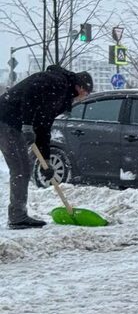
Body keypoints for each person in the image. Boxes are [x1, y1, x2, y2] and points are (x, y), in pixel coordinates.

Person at [0, 65, 93, 228]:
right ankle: (17, 217)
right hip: (7, 120)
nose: (83, 98)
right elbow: (30, 91)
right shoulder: (57, 81)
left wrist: (46, 160)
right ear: (80, 87)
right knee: (21, 169)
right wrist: (27, 125)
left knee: (24, 167)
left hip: (13, 123)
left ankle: (18, 214)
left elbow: (44, 127)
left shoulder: (62, 98)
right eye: (86, 93)